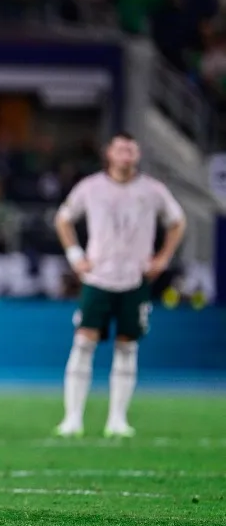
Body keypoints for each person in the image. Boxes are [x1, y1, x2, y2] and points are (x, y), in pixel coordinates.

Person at [53, 132, 186, 438]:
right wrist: (75, 256)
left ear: (137, 155)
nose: (127, 154)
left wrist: (163, 258)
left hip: (135, 279)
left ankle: (117, 420)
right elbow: (63, 218)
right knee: (83, 342)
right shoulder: (90, 187)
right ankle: (72, 419)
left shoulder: (153, 190)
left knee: (127, 346)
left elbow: (177, 221)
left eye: (131, 149)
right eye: (121, 149)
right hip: (98, 277)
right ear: (109, 153)